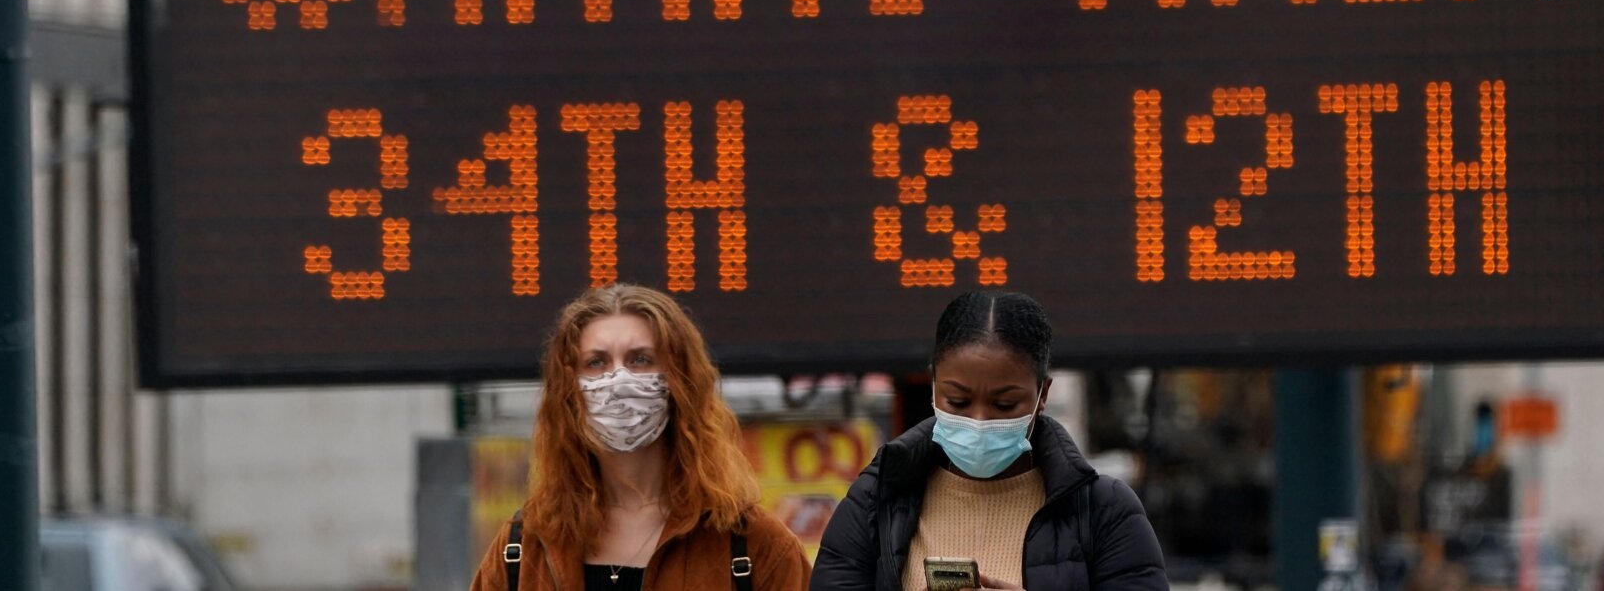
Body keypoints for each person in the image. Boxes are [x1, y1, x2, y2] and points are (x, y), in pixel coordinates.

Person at [810, 292, 1167, 591]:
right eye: (958, 402)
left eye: (1004, 404)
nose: (979, 421)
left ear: (1042, 395)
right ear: (933, 386)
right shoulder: (876, 501)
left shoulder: (1104, 511)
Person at [470, 284, 810, 591]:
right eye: (596, 362)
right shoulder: (523, 548)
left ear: (680, 381)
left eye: (640, 360)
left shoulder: (754, 545)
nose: (618, 379)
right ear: (567, 391)